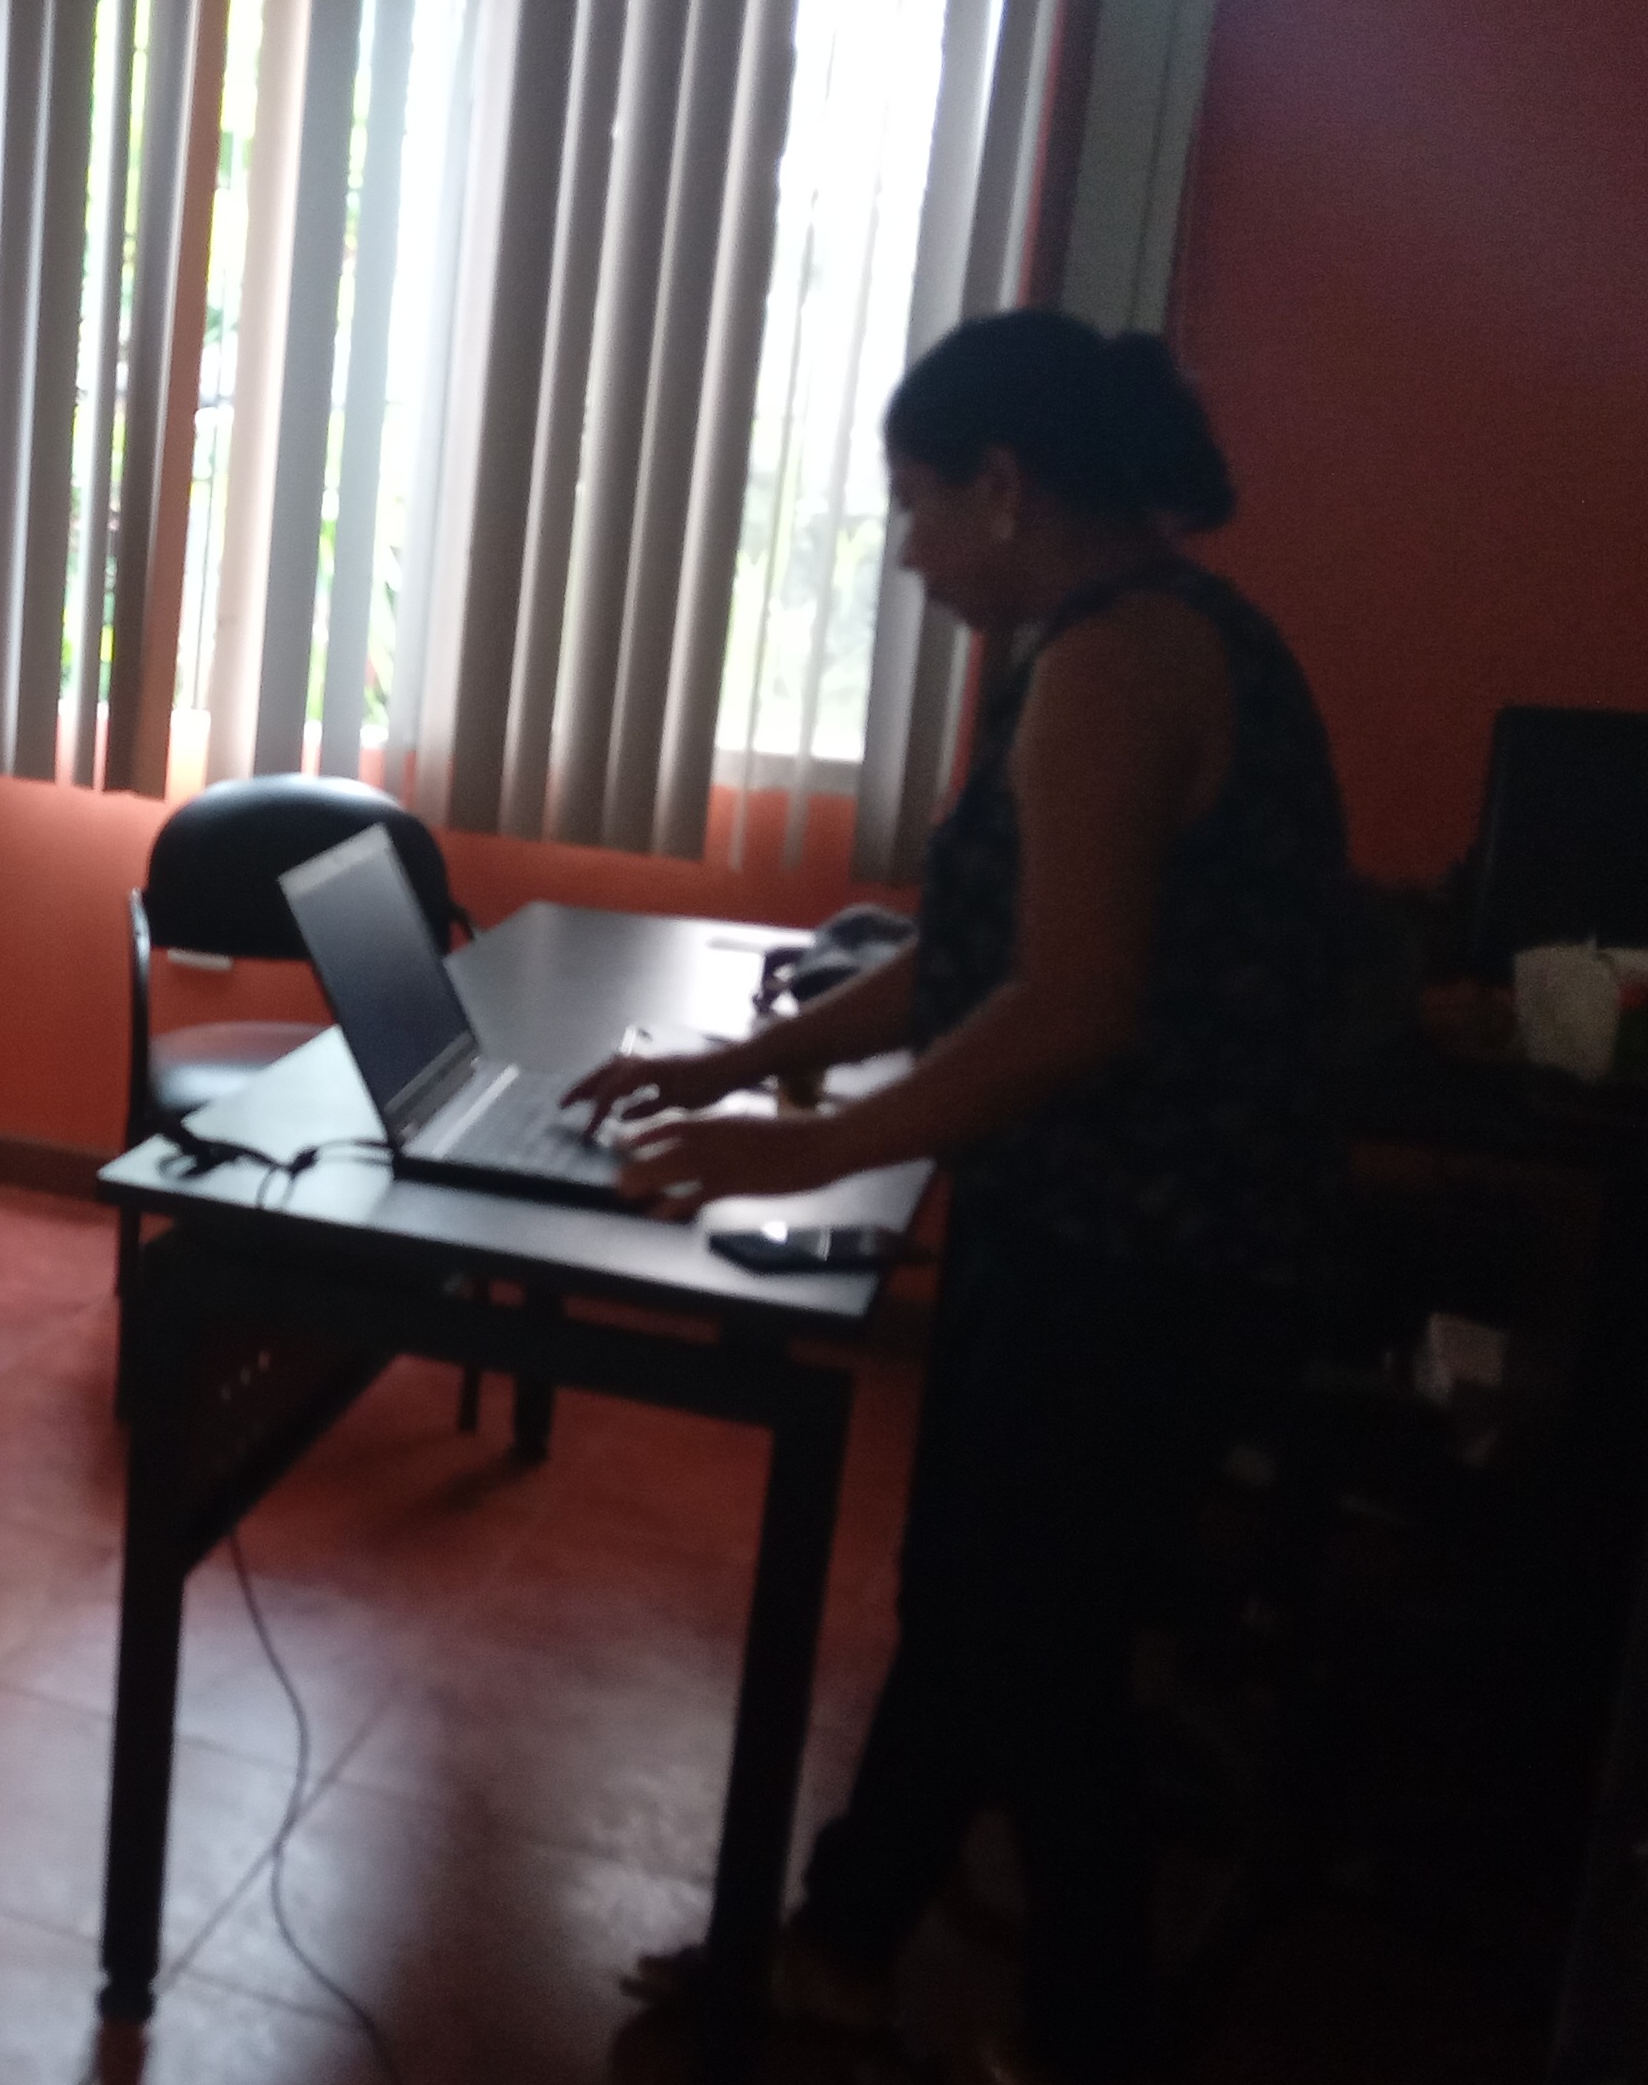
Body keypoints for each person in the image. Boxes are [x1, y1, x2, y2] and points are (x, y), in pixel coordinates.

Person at [572, 308, 1349, 2084]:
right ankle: (844, 1948)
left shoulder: (1118, 666)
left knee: (1047, 1663)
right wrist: (727, 1067)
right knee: (974, 1607)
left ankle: (1087, 2037)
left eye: (915, 502)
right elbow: (970, 960)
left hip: (1142, 1258)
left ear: (1004, 485)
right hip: (1106, 1234)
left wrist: (801, 1149)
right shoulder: (1126, 636)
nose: (908, 549)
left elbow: (1070, 1007)